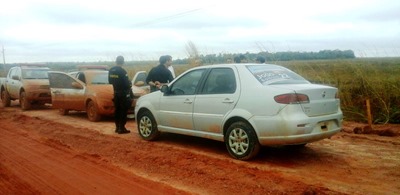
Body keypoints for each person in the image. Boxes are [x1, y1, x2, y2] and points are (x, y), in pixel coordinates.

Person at [108, 55, 132, 134]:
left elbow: (110, 81)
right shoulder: (122, 71)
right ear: (123, 62)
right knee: (123, 110)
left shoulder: (111, 70)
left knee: (117, 110)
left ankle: (117, 127)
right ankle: (122, 128)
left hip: (115, 92)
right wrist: (129, 84)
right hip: (123, 93)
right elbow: (126, 84)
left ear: (116, 61)